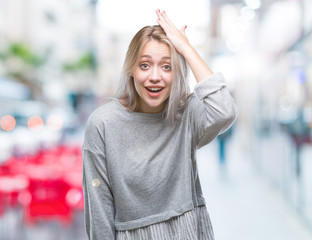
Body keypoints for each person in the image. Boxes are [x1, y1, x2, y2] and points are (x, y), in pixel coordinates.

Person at [82, 9, 237, 240]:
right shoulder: (103, 123)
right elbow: (99, 206)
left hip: (187, 232)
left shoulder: (186, 113)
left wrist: (186, 49)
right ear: (131, 70)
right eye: (145, 65)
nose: (155, 76)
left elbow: (224, 110)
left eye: (167, 67)